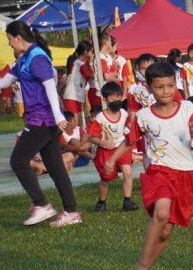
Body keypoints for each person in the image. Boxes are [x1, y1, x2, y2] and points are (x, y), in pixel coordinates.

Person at [105, 61, 193, 270]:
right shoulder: (143, 116)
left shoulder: (189, 109)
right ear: (149, 88)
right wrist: (112, 159)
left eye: (170, 85)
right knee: (161, 212)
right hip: (158, 171)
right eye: (160, 87)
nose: (166, 91)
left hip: (184, 174)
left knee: (166, 231)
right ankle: (141, 265)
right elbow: (130, 141)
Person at [2, 20, 81, 226]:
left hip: (42, 120)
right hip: (45, 121)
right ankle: (71, 212)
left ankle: (41, 205)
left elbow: (49, 87)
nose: (9, 43)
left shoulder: (36, 57)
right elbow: (4, 82)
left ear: (18, 38)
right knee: (55, 167)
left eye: (10, 39)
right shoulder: (24, 59)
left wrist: (57, 116)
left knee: (18, 161)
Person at [88, 81, 137, 212]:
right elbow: (92, 137)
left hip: (122, 148)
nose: (116, 99)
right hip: (106, 151)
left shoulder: (124, 113)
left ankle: (127, 201)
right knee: (106, 179)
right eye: (112, 97)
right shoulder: (100, 118)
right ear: (105, 99)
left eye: (118, 96)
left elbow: (129, 126)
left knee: (127, 172)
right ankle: (101, 202)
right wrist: (102, 142)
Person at [63, 40, 94, 127]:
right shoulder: (78, 63)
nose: (92, 54)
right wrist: (91, 61)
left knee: (79, 123)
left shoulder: (80, 63)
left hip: (76, 97)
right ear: (85, 52)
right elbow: (91, 75)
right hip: (72, 96)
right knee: (74, 124)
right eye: (91, 51)